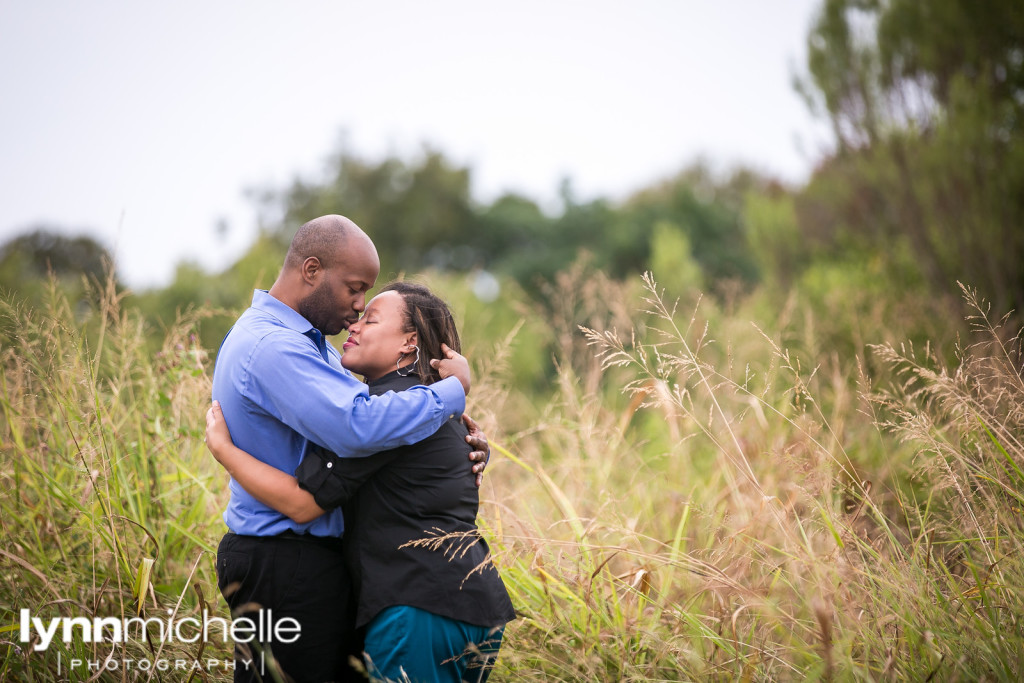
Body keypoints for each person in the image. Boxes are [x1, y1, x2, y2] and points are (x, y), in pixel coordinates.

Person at [210, 215, 489, 683]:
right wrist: (452, 391)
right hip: (285, 559)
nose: (358, 308)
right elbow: (359, 427)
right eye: (355, 289)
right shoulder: (275, 347)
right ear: (312, 270)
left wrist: (465, 444)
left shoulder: (311, 346)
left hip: (310, 561)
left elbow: (383, 426)